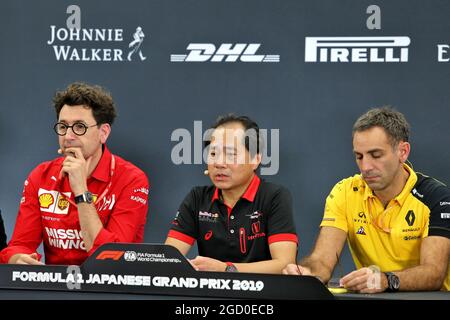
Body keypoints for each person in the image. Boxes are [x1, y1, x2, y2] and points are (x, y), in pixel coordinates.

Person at [283, 107, 450, 292]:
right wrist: (307, 273)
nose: (366, 166)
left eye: (376, 155)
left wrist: (386, 281)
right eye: (359, 156)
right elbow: (322, 260)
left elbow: (434, 273)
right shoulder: (345, 191)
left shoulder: (437, 197)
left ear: (403, 152)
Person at [0, 82, 149, 265]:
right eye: (63, 127)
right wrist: (17, 259)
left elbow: (112, 259)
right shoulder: (41, 176)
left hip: (109, 289)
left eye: (79, 127)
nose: (68, 136)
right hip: (56, 290)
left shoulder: (132, 180)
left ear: (103, 133)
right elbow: (19, 245)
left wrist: (81, 190)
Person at [165, 114, 298, 274]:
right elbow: (168, 259)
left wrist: (226, 269)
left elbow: (285, 265)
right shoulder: (197, 198)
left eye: (231, 154)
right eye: (213, 154)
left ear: (256, 159)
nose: (219, 163)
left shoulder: (274, 197)